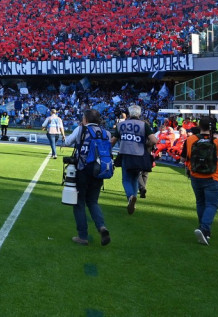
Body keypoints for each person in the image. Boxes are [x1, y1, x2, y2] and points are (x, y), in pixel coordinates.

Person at [62, 108, 111, 246]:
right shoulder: (105, 132)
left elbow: (67, 142)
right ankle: (101, 227)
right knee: (93, 202)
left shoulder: (81, 129)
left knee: (79, 203)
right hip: (99, 170)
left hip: (83, 170)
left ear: (86, 119)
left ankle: (82, 236)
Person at [181, 117, 218, 245]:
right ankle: (204, 228)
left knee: (200, 202)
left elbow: (182, 159)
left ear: (200, 126)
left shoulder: (190, 140)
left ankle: (204, 230)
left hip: (195, 176)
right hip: (213, 177)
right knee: (212, 205)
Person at [111, 105, 156, 214]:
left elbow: (112, 141)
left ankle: (130, 197)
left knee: (126, 179)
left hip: (125, 153)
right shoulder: (144, 125)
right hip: (139, 155)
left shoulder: (121, 125)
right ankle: (133, 200)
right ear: (139, 114)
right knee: (135, 179)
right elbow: (154, 140)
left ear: (129, 113)